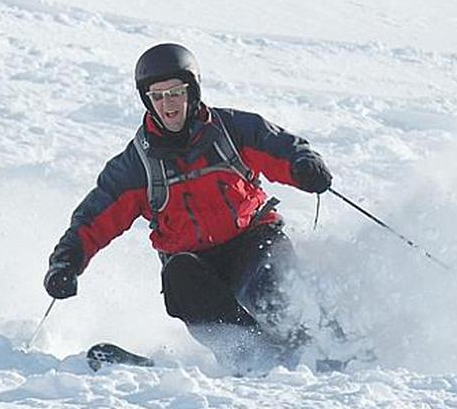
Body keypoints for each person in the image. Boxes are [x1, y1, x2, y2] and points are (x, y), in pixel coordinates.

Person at [44, 43, 333, 371]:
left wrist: (303, 165)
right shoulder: (137, 164)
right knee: (179, 275)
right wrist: (66, 263)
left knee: (269, 275)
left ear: (192, 91)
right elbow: (94, 219)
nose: (168, 104)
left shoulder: (231, 130)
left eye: (176, 92)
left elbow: (280, 147)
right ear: (147, 100)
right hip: (198, 267)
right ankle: (246, 352)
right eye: (158, 95)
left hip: (251, 242)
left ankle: (318, 343)